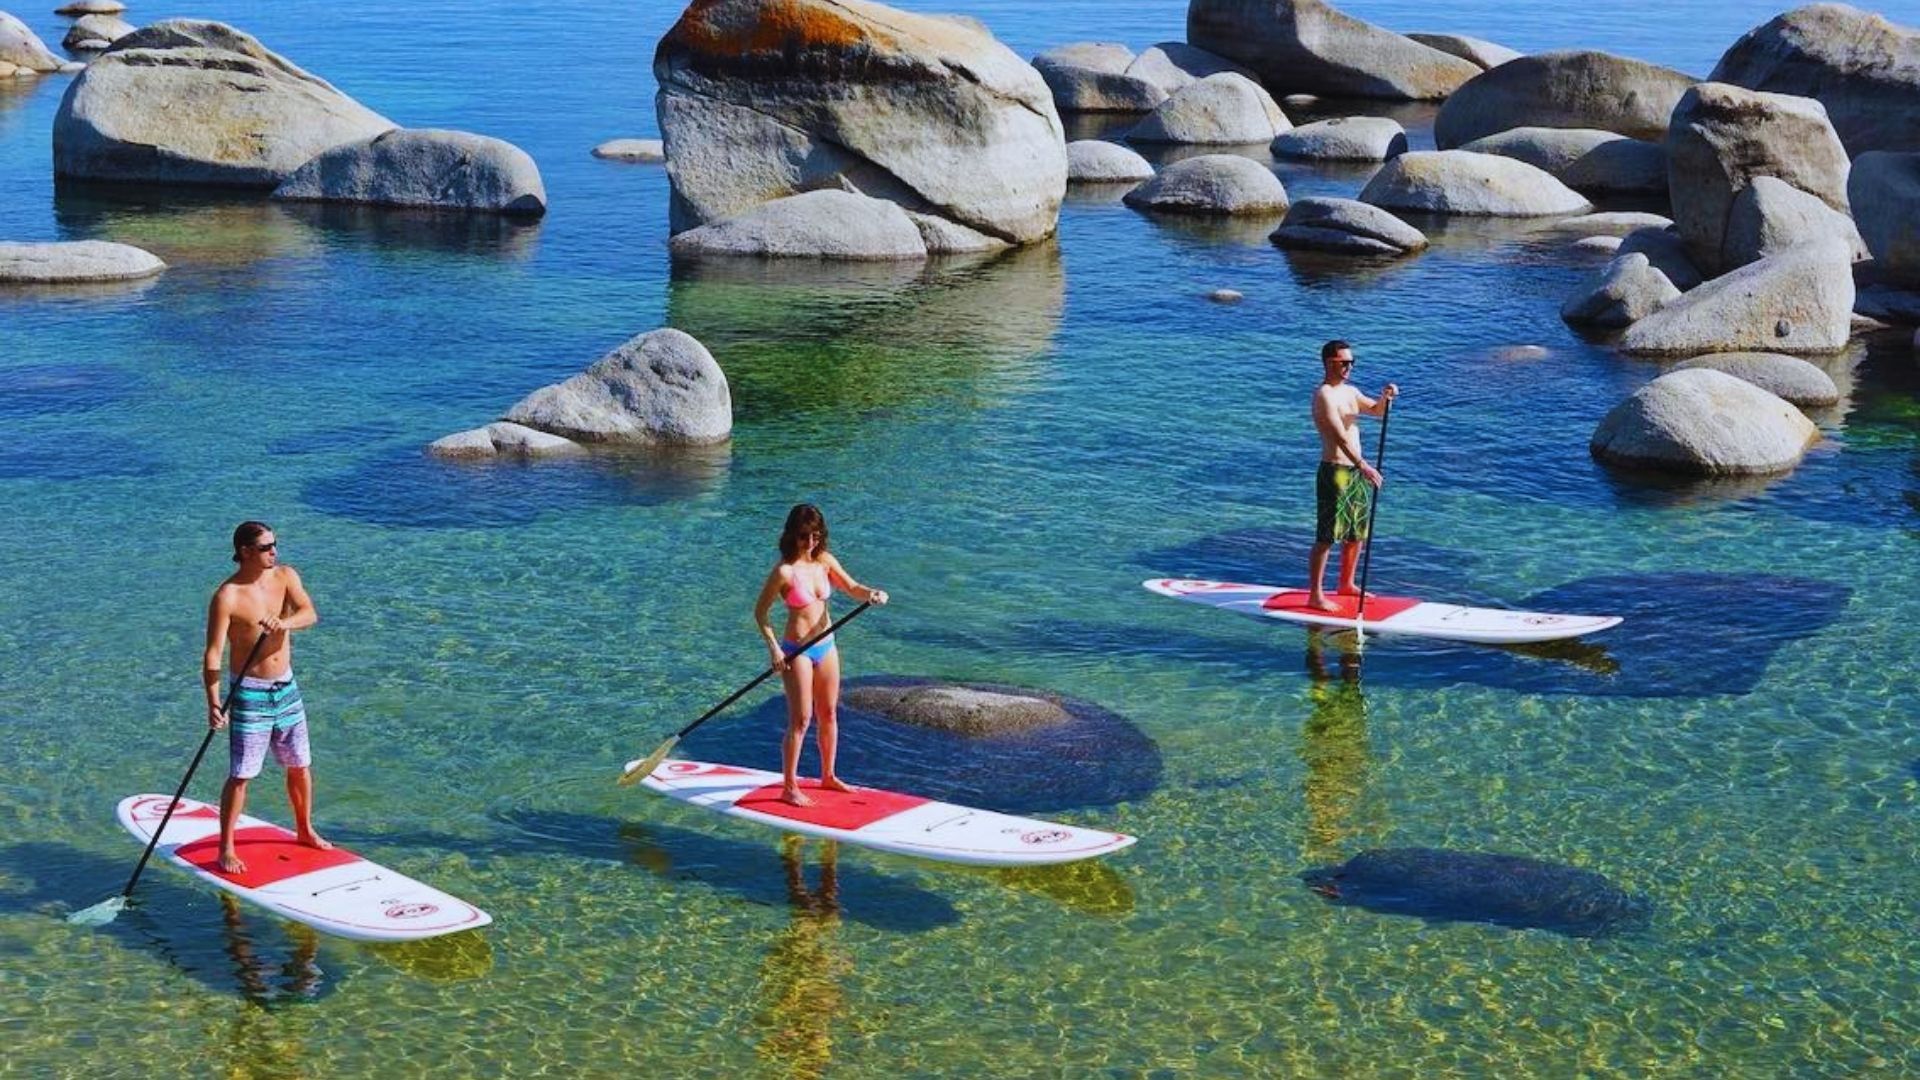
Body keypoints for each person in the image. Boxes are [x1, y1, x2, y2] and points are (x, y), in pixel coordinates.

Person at [203, 521, 325, 874]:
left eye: (275, 544)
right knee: (242, 774)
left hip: (286, 688)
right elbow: (212, 655)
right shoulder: (227, 596)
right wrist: (213, 701)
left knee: (299, 765)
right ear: (245, 552)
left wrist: (284, 624)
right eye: (266, 547)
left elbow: (309, 613)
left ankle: (304, 829)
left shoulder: (286, 576)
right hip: (250, 694)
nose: (274, 551)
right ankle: (226, 848)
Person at [753, 504, 889, 807]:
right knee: (801, 719)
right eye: (804, 536)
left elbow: (852, 587)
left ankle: (828, 775)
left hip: (826, 646)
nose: (811, 542)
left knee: (829, 713)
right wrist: (774, 648)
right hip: (796, 651)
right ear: (792, 535)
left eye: (816, 535)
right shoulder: (783, 571)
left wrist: (871, 593)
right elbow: (760, 613)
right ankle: (789, 787)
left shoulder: (824, 561)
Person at [1308, 340, 1398, 612]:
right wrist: (1365, 466)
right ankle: (1316, 595)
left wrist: (1386, 397)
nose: (1348, 367)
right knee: (1327, 536)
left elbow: (1378, 412)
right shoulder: (1324, 395)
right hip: (1335, 472)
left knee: (1356, 532)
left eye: (1351, 363)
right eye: (1343, 363)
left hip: (1356, 470)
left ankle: (1346, 583)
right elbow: (1339, 437)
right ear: (1328, 363)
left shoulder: (1350, 392)